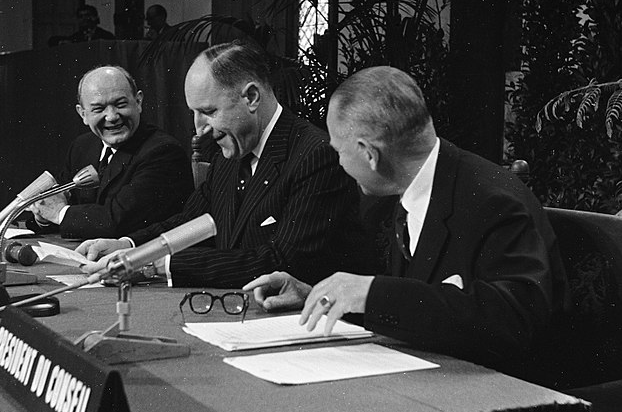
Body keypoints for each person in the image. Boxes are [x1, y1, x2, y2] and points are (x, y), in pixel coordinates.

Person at [243, 66, 568, 377]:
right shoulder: (410, 189)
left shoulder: (492, 200)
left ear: (369, 154)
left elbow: (514, 320)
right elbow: (423, 306)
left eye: (339, 151)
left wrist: (373, 293)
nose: (338, 162)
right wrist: (322, 296)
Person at [76, 40, 374, 288]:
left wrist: (154, 265)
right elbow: (189, 222)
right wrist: (129, 247)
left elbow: (282, 262)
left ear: (252, 98)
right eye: (194, 113)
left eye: (208, 111)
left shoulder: (315, 155)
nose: (200, 129)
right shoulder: (229, 154)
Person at [27, 66, 193, 239]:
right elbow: (63, 207)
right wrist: (43, 216)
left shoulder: (163, 152)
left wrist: (58, 212)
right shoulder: (82, 146)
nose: (112, 116)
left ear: (138, 102)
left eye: (120, 104)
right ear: (83, 114)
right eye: (98, 109)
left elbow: (117, 222)